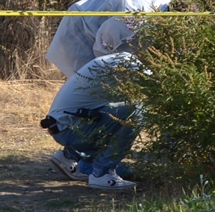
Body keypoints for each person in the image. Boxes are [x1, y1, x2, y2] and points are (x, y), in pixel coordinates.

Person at [42, 52, 144, 190]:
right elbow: (157, 89)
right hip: (71, 131)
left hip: (60, 126)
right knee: (137, 110)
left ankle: (69, 157)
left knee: (118, 110)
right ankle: (102, 173)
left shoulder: (115, 59)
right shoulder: (128, 64)